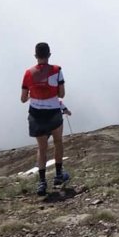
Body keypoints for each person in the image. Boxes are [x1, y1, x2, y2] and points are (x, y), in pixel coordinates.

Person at [21, 42, 71, 195]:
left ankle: (42, 183)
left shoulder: (28, 73)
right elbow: (61, 94)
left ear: (35, 56)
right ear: (49, 55)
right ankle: (58, 175)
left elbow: (23, 99)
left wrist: (33, 95)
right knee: (58, 142)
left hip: (36, 114)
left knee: (42, 148)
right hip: (53, 112)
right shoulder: (57, 70)